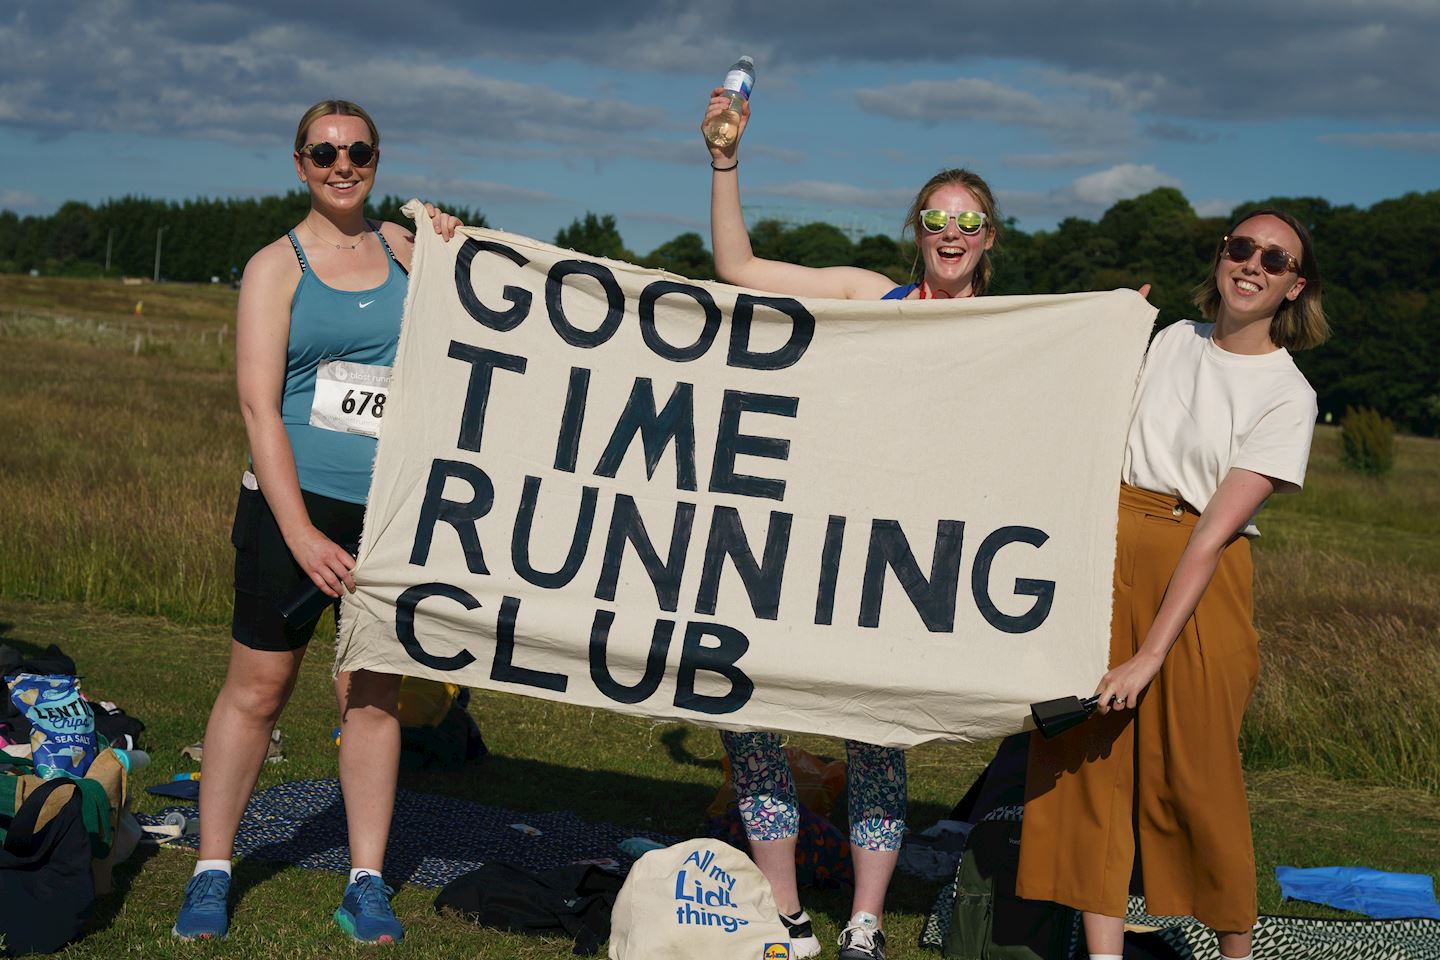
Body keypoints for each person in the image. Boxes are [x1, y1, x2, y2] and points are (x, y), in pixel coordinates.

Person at [701, 87, 1002, 960]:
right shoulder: (872, 295)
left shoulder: (1013, 329)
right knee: (747, 712)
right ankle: (788, 916)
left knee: (873, 736)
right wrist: (725, 159)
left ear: (989, 238)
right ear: (918, 228)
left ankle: (865, 923)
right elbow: (738, 268)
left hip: (908, 564)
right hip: (811, 540)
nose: (951, 231)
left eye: (969, 220)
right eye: (937, 216)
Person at [171, 99, 462, 943]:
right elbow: (261, 410)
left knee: (370, 693)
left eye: (359, 151)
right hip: (290, 507)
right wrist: (299, 532)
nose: (344, 165)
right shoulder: (277, 266)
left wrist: (450, 239)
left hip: (392, 513)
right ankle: (212, 869)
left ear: (378, 160)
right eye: (325, 151)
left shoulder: (415, 255)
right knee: (259, 689)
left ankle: (366, 879)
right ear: (298, 162)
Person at [1016, 209, 1329, 960]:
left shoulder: (1290, 394)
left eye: (1274, 259)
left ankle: (1235, 953)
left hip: (1202, 573)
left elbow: (1212, 534)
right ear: (1222, 258)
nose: (1253, 265)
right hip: (1111, 548)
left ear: (1294, 287)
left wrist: (1151, 653)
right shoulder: (1169, 340)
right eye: (1241, 247)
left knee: (1198, 779)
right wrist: (1109, 326)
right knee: (1088, 760)